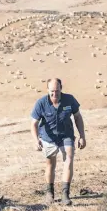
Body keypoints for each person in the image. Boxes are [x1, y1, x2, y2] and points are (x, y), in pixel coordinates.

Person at [30, 78, 86, 206]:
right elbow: (33, 123)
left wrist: (82, 136)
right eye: (52, 91)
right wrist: (36, 139)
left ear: (61, 88)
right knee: (51, 164)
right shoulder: (41, 103)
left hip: (66, 135)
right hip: (48, 138)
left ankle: (65, 194)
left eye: (57, 90)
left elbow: (77, 117)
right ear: (47, 90)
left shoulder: (69, 99)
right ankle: (50, 192)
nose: (55, 94)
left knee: (69, 157)